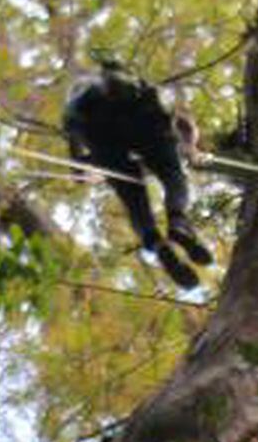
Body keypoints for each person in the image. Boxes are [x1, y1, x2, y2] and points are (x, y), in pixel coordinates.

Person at [61, 63, 213, 288]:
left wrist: (84, 170)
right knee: (173, 176)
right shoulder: (135, 84)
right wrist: (191, 149)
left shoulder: (77, 101)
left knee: (133, 199)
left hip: (97, 133)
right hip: (144, 122)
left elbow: (76, 157)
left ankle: (157, 243)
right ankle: (178, 222)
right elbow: (182, 122)